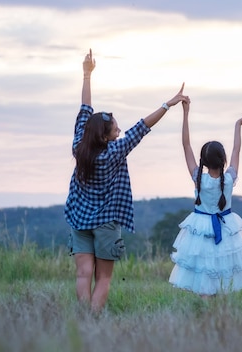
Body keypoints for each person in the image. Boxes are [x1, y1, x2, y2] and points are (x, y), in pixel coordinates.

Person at [64, 49, 190, 314]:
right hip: (107, 222)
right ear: (106, 137)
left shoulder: (79, 144)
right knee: (105, 277)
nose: (119, 131)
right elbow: (142, 126)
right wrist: (168, 104)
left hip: (79, 219)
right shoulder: (114, 152)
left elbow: (85, 108)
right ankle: (93, 321)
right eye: (116, 130)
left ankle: (83, 319)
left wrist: (87, 74)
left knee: (83, 275)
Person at [168, 100, 242, 297]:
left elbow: (186, 145)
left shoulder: (199, 179)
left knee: (204, 270)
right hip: (225, 226)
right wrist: (237, 126)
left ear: (203, 161)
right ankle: (219, 313)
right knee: (223, 271)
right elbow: (236, 150)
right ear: (223, 160)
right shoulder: (229, 179)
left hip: (201, 226)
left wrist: (186, 112)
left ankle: (205, 306)